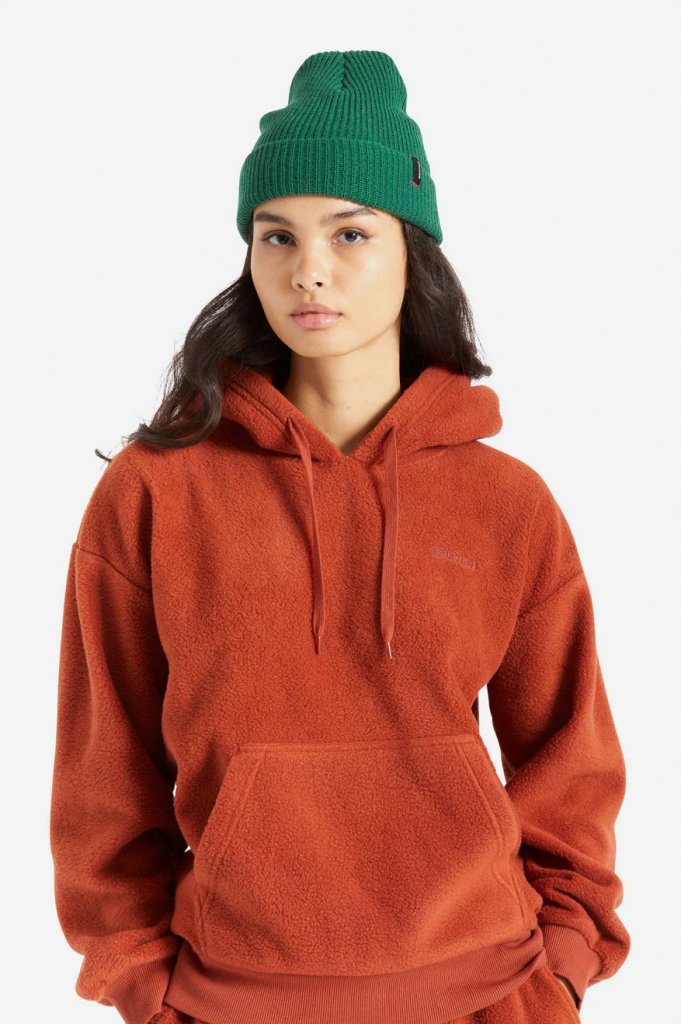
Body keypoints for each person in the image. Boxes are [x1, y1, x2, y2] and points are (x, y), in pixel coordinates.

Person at [49, 49, 630, 1024]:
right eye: (275, 236)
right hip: (227, 1000)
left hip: (488, 993)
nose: (308, 268)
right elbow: (101, 775)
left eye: (350, 233)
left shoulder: (507, 503)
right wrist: (142, 980)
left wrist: (564, 961)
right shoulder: (155, 491)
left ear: (413, 251)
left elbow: (572, 765)